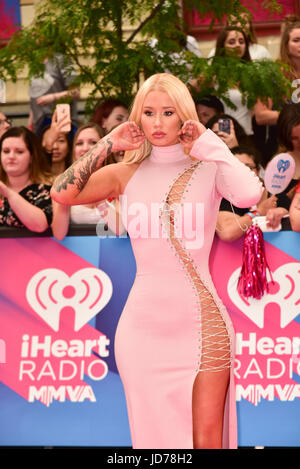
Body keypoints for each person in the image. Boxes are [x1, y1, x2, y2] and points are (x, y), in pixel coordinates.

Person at [51, 73, 263, 449]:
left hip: (203, 325)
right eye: (149, 112)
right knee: (152, 443)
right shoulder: (125, 173)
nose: (158, 122)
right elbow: (62, 192)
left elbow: (249, 194)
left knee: (207, 440)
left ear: (183, 116)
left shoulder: (209, 168)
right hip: (143, 330)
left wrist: (209, 143)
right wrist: (108, 142)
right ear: (138, 118)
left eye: (168, 112)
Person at [51, 122, 124, 240]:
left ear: (105, 148)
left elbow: (119, 229)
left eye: (93, 143)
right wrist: (66, 193)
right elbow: (59, 234)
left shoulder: (117, 178)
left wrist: (96, 194)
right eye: (79, 143)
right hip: (77, 254)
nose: (85, 148)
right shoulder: (62, 182)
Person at [216, 145, 283, 241]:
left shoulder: (277, 192)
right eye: (237, 167)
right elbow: (227, 232)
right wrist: (259, 212)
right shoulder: (226, 197)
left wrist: (282, 212)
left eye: (248, 167)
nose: (243, 172)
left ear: (258, 170)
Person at [0, 126, 53, 232]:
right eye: (6, 151)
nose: (11, 156)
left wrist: (8, 193)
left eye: (19, 152)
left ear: (32, 157)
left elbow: (40, 225)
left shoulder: (46, 190)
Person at [212, 27, 254, 136]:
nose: (237, 45)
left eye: (241, 41)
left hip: (247, 134)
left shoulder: (252, 74)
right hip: (223, 133)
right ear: (222, 47)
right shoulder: (213, 74)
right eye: (231, 42)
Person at [28, 54, 80, 136]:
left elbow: (75, 92)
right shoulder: (35, 62)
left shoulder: (62, 60)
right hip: (38, 125)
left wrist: (53, 97)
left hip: (61, 121)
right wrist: (30, 125)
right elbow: (34, 99)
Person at [208, 13, 272, 61]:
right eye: (235, 22)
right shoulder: (214, 53)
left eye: (244, 22)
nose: (239, 25)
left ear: (250, 25)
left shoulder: (261, 51)